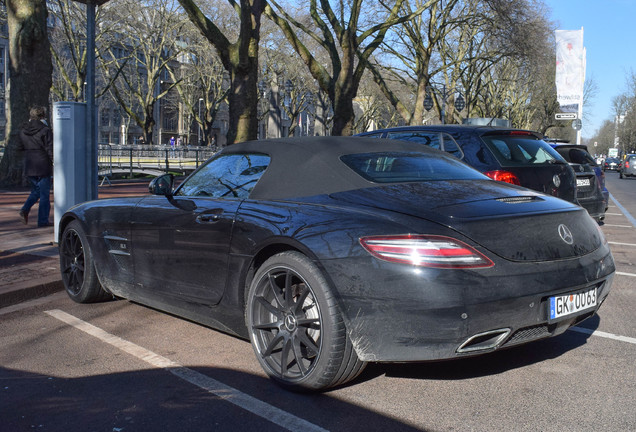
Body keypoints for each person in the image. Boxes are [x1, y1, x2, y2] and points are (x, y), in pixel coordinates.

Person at [18, 105, 54, 227]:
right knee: (44, 194)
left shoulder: (23, 131)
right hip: (43, 164)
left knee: (36, 191)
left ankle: (25, 209)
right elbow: (50, 149)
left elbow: (19, 147)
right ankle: (42, 220)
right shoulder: (45, 130)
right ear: (43, 115)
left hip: (29, 163)